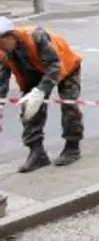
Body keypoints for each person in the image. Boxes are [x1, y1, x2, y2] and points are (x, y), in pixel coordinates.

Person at [0, 17, 84, 173]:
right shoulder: (2, 52)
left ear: (11, 36)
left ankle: (72, 147)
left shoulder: (36, 36)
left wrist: (40, 91)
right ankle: (37, 153)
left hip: (65, 67)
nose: (1, 48)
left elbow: (55, 66)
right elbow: (1, 81)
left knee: (68, 105)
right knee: (29, 110)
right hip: (35, 73)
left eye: (2, 43)